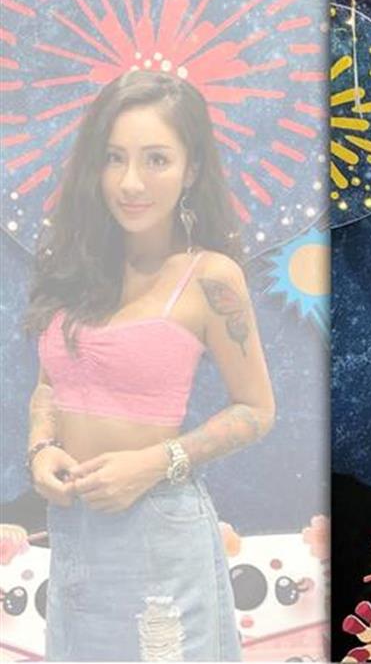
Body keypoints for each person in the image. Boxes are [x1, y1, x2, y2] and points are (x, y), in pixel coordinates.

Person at [22, 70, 275, 660]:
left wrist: (152, 464)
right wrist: (40, 449)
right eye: (115, 158)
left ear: (191, 169)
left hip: (159, 535)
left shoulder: (210, 277)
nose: (130, 182)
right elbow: (49, 385)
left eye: (156, 160)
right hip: (74, 532)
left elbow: (256, 410)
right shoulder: (73, 268)